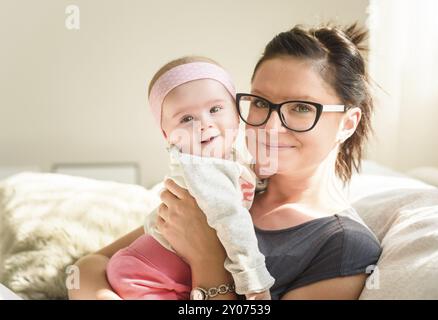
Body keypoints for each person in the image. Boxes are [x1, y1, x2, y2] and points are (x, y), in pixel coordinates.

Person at [68, 23, 382, 300]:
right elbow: (90, 267)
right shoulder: (226, 185)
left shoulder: (342, 246)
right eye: (260, 102)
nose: (271, 127)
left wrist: (206, 257)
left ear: (347, 123)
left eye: (300, 108)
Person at [105, 56, 274, 300]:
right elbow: (233, 223)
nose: (204, 124)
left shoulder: (230, 159)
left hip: (160, 269)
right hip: (149, 275)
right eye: (186, 119)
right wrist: (255, 284)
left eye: (215, 109)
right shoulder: (201, 168)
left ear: (237, 115)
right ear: (168, 135)